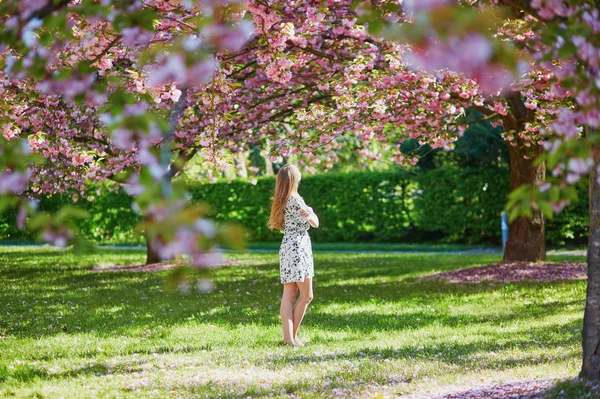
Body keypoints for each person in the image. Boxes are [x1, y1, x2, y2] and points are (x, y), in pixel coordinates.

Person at [268, 164, 319, 346]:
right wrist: (311, 212)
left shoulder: (282, 198)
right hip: (299, 247)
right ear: (294, 178)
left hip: (288, 246)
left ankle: (290, 338)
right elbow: (315, 223)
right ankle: (291, 338)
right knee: (307, 295)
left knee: (289, 294)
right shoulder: (296, 199)